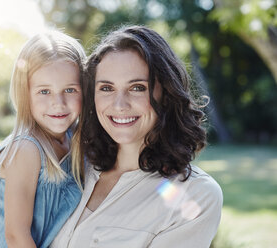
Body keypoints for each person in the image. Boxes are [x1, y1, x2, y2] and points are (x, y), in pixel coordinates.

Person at [50, 25, 223, 248]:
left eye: (138, 88)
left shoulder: (196, 195)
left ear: (166, 94)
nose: (120, 104)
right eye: (106, 88)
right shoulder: (70, 168)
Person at [0, 30, 86, 248]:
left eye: (70, 89)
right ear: (25, 93)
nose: (59, 102)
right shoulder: (26, 149)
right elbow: (16, 236)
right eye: (44, 91)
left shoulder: (74, 140)